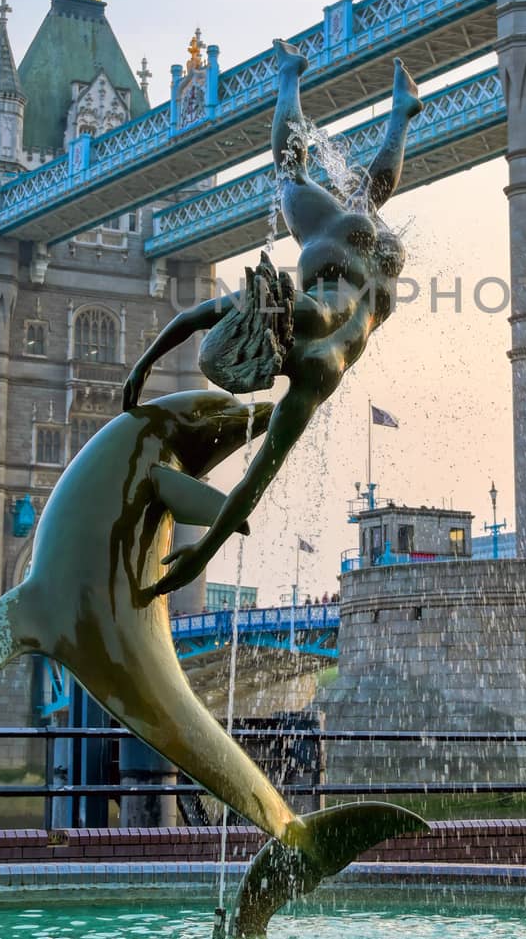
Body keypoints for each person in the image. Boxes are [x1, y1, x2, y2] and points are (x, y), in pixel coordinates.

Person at [123, 39, 421, 596]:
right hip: (340, 252)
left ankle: (391, 108)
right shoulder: (284, 310)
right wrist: (143, 365)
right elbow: (195, 315)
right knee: (294, 173)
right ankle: (292, 77)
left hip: (381, 278)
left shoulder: (313, 379)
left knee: (353, 197)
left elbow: (252, 486)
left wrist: (202, 552)